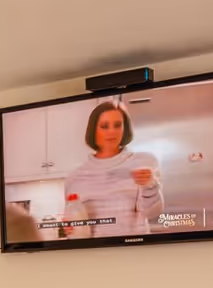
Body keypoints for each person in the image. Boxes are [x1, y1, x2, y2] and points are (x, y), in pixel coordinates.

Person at [60, 100, 162, 237]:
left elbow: (152, 213)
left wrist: (150, 185)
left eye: (117, 125)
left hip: (135, 253)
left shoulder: (143, 162)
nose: (112, 131)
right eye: (104, 126)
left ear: (124, 129)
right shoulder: (75, 176)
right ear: (93, 130)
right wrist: (70, 227)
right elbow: (74, 223)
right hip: (93, 255)